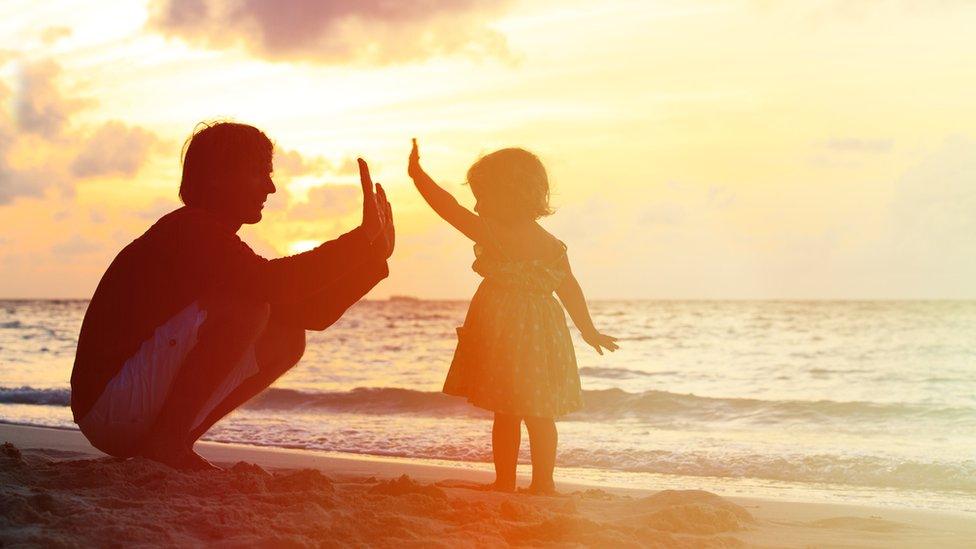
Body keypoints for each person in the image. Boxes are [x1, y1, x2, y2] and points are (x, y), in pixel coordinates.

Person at [70, 121, 394, 470]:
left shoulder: (209, 236)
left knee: (287, 337)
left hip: (118, 411)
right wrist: (359, 242)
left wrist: (372, 258)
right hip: (110, 404)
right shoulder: (191, 229)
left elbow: (310, 315)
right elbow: (274, 283)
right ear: (217, 178)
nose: (270, 188)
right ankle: (167, 444)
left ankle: (174, 442)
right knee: (249, 307)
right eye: (259, 174)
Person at [407, 139, 617, 494]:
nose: (476, 205)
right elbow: (570, 289)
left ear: (508, 195)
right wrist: (588, 330)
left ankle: (505, 481)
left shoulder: (493, 233)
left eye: (482, 195)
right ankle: (542, 485)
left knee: (507, 412)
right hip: (543, 333)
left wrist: (417, 175)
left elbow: (448, 208)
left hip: (506, 331)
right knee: (540, 413)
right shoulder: (551, 245)